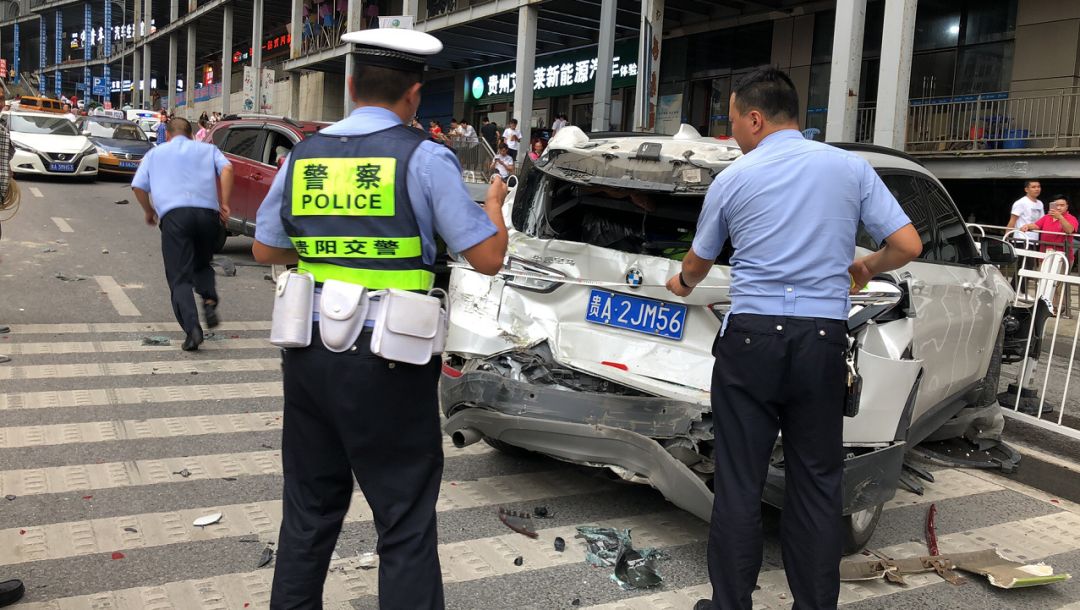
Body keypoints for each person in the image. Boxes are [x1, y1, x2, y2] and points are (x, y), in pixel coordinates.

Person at [251, 27, 509, 609]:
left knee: (309, 513)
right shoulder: (423, 157)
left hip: (310, 353)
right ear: (414, 95)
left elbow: (266, 248)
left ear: (349, 86)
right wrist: (493, 207)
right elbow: (488, 257)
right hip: (390, 358)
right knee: (404, 518)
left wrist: (332, 252)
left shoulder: (305, 154)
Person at [664, 67, 921, 610]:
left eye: (732, 119)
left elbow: (697, 261)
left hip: (751, 343)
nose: (732, 131)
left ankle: (731, 604)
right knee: (817, 485)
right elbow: (907, 244)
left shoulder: (735, 177)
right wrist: (866, 267)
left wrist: (681, 282)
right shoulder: (848, 169)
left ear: (755, 118)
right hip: (820, 344)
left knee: (738, 485)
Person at [131, 117, 233, 351]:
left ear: (167, 135)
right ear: (191, 134)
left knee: (179, 277)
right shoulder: (209, 149)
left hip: (175, 217)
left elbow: (138, 186)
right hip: (208, 215)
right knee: (202, 264)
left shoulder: (155, 154)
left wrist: (149, 211)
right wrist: (225, 203)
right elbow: (227, 168)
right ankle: (209, 300)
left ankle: (192, 329)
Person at [1021, 194, 1077, 317]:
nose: (1059, 207)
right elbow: (1036, 225)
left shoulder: (1071, 218)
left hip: (1063, 257)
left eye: (1062, 205)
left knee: (1059, 284)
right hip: (1045, 255)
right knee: (1044, 281)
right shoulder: (1047, 217)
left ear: (1067, 207)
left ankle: (1062, 309)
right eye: (1057, 205)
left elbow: (1069, 230)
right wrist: (1028, 226)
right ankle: (1046, 307)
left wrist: (1060, 218)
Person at [1007, 180, 1044, 247]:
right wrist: (1006, 238)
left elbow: (1042, 221)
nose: (1037, 189)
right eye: (1033, 187)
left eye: (1038, 187)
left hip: (1035, 240)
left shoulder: (1040, 203)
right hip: (1021, 239)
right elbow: (1012, 221)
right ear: (1026, 189)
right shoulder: (1021, 203)